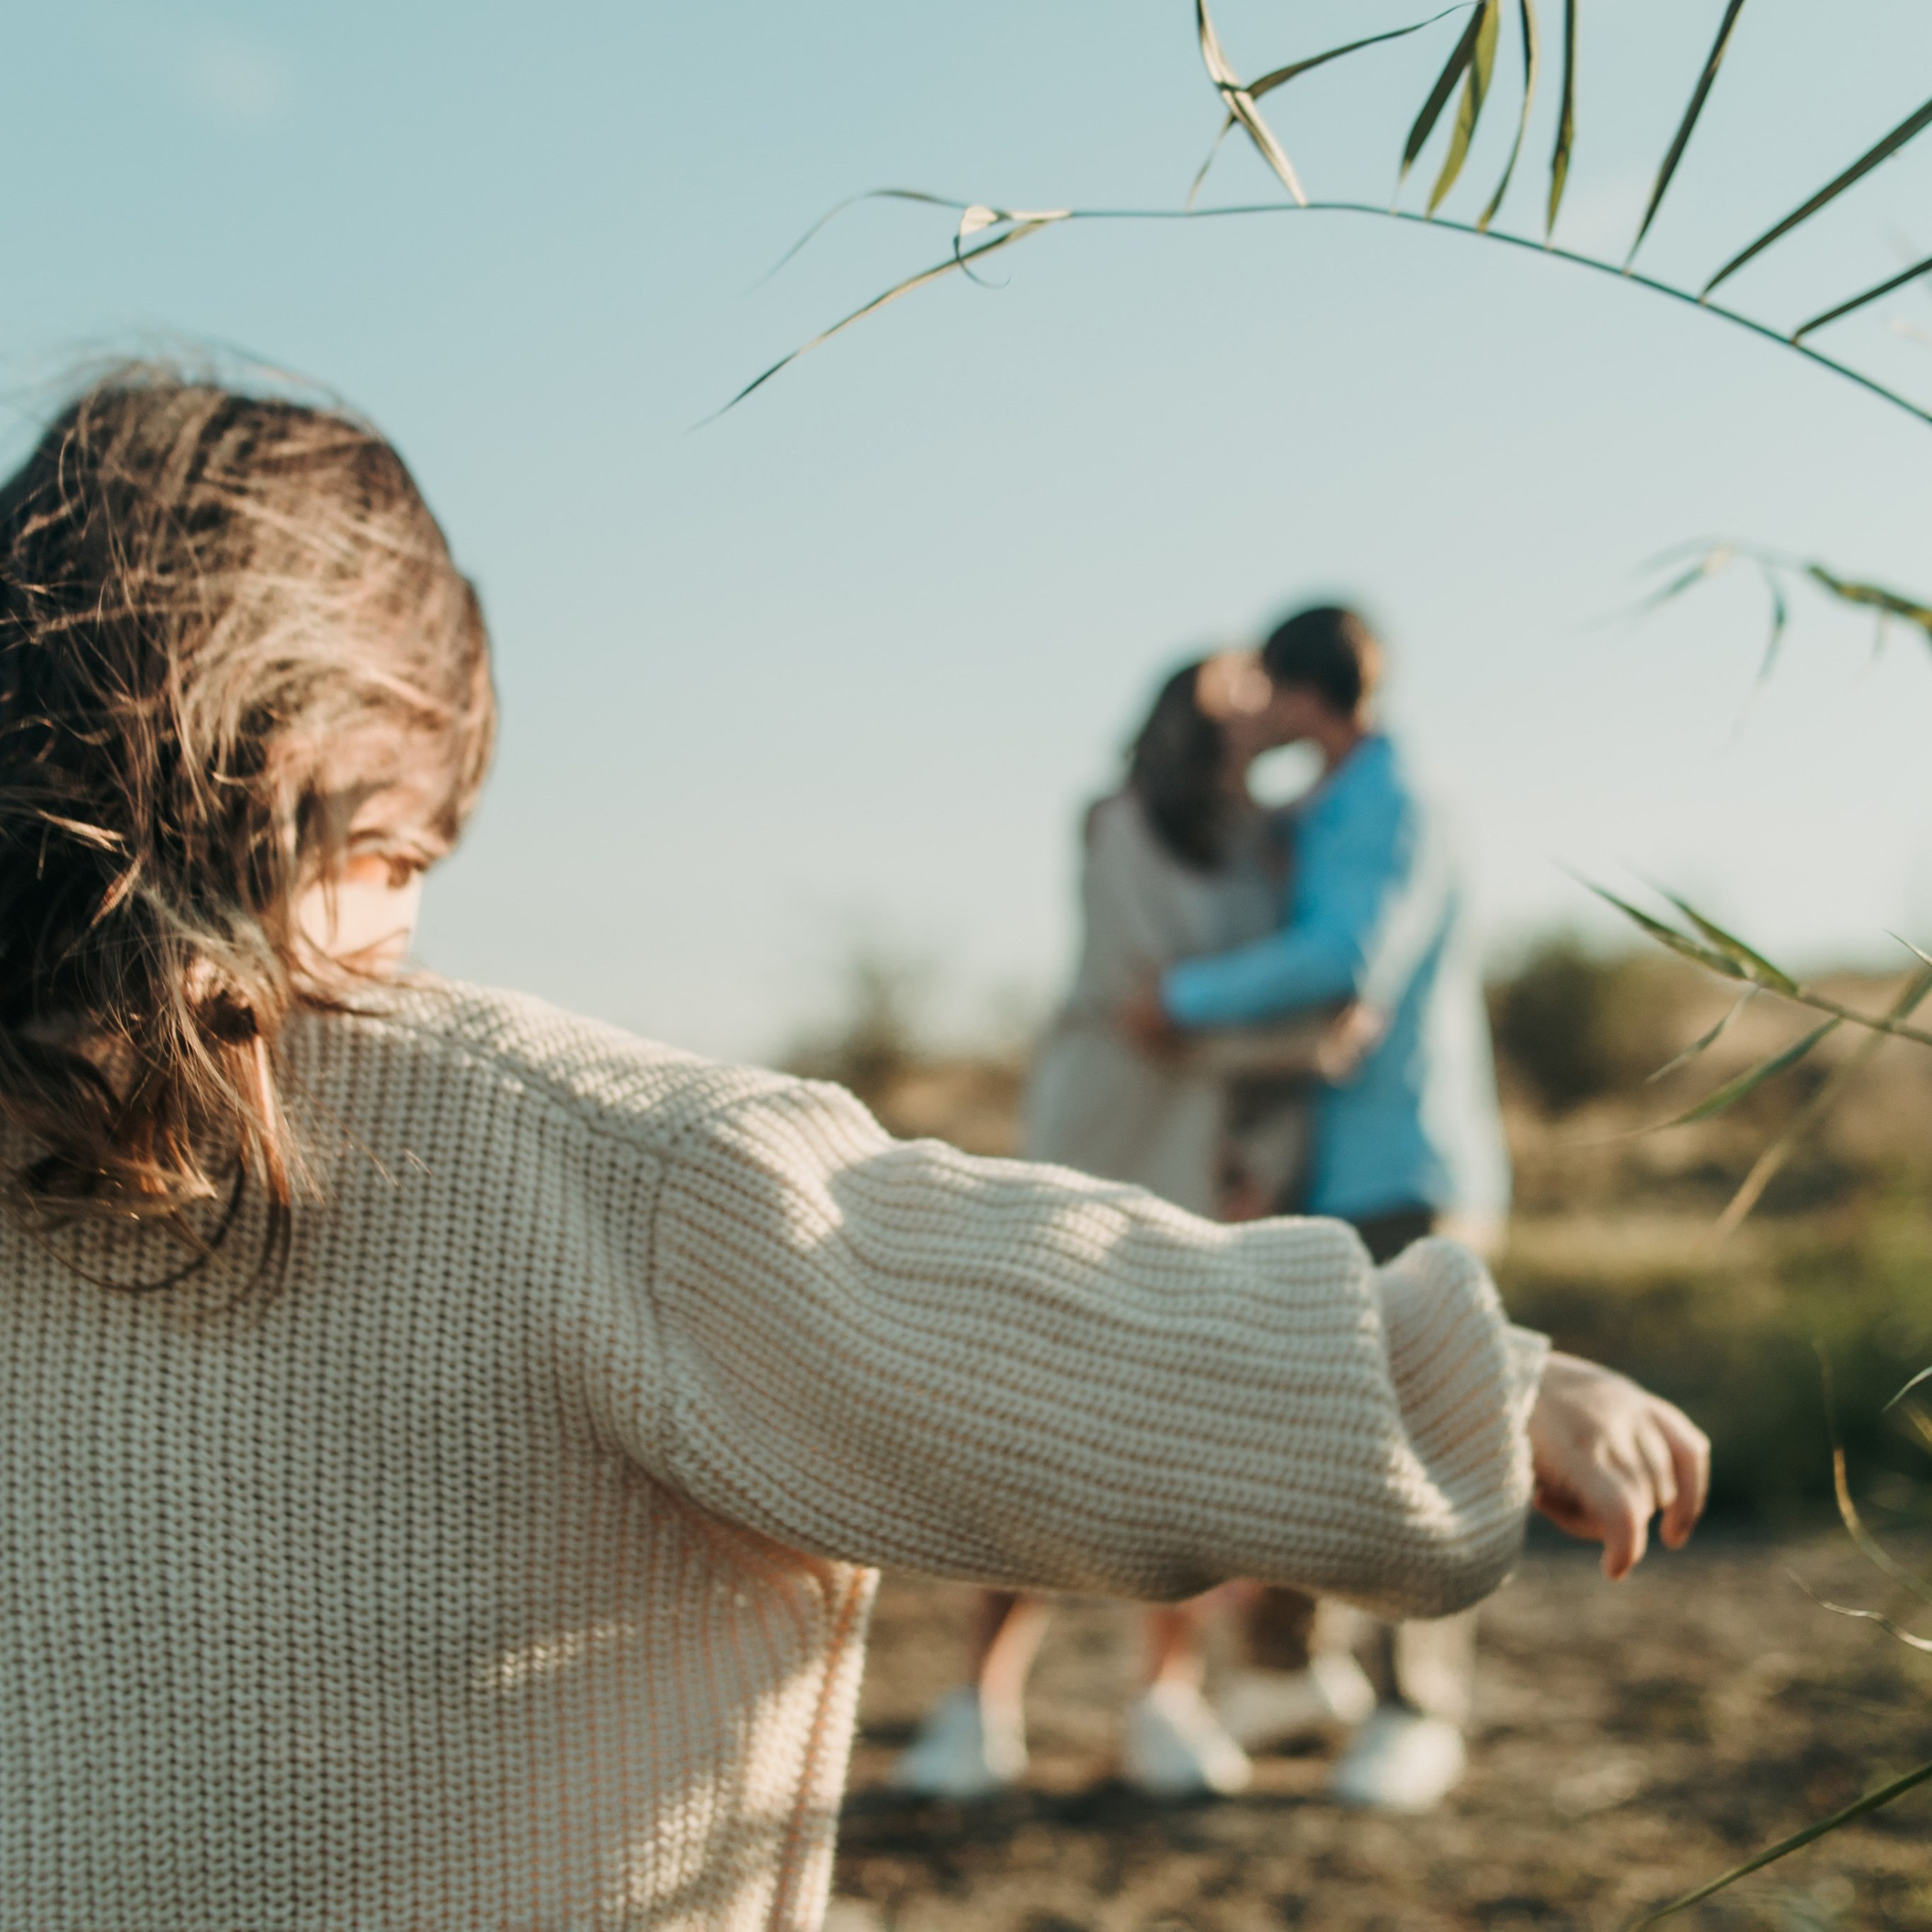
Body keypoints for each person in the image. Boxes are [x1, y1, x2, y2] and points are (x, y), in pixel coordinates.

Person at [0, 368, 1708, 1932]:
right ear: (363, 776)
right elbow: (1001, 1320)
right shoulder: (584, 1160)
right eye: (430, 841)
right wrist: (1461, 1385)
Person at [894, 654, 1369, 1802]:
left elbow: (1246, 999)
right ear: (1189, 716)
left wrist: (1260, 1151)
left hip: (1208, 1164)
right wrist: (1301, 1049)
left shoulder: (1267, 843)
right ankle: (979, 1707)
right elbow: (1143, 1005)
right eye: (1233, 693)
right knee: (1040, 1429)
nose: (1259, 707)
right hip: (1101, 1140)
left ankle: (1165, 1699)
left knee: (1184, 1437)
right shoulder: (1117, 826)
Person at [1120, 604, 1513, 1814]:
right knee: (1319, 1424)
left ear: (1304, 696)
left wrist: (1178, 994)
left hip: (1404, 1163)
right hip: (1333, 1171)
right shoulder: (1332, 804)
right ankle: (1299, 1670)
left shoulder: (1392, 801)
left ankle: (1416, 1708)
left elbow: (1348, 959)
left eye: (1266, 695)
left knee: (1420, 1433)